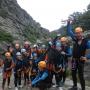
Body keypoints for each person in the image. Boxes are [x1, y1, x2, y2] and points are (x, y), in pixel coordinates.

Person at [67, 21, 90, 90]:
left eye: (79, 33)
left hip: (80, 61)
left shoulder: (87, 42)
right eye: (77, 33)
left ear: (82, 33)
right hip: (74, 60)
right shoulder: (75, 39)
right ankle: (75, 86)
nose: (78, 34)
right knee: (73, 73)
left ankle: (83, 88)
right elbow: (69, 31)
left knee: (81, 76)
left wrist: (87, 57)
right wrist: (68, 23)